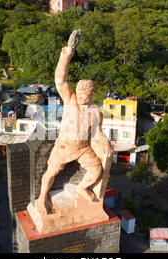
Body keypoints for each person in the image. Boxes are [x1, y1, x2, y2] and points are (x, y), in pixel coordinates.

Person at [35, 32, 113, 215]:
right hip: (64, 146)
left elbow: (97, 133)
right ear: (77, 92)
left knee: (96, 171)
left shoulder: (95, 111)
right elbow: (60, 80)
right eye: (82, 94)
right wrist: (67, 54)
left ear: (93, 95)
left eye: (89, 94)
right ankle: (41, 198)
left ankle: (81, 188)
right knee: (50, 173)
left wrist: (105, 143)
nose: (85, 97)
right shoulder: (70, 99)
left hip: (84, 148)